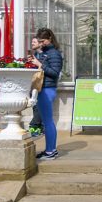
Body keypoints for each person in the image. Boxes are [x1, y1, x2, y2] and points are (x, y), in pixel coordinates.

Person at [33, 27, 63, 160]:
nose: (40, 43)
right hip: (42, 88)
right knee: (46, 121)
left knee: (48, 122)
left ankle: (51, 151)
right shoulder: (44, 53)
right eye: (39, 41)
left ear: (50, 39)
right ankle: (50, 150)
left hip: (47, 89)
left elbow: (55, 73)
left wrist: (40, 65)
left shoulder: (54, 54)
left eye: (43, 40)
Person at [27, 37, 44, 137]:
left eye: (34, 41)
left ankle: (34, 126)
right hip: (33, 83)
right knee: (35, 106)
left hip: (40, 84)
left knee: (38, 106)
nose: (32, 43)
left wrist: (38, 64)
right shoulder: (35, 54)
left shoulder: (43, 55)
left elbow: (45, 67)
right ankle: (40, 126)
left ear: (40, 43)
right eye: (32, 41)